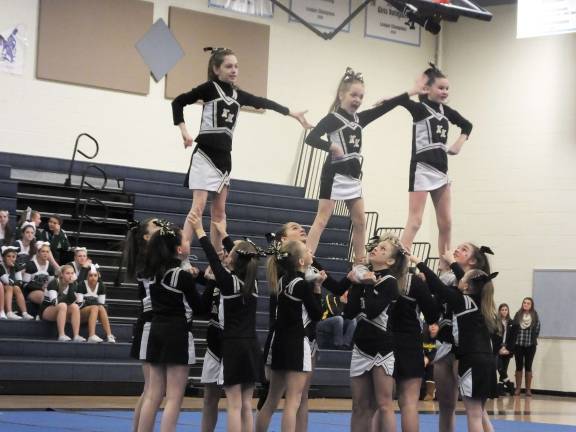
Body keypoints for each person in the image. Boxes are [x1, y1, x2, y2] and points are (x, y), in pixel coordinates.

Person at [172, 47, 311, 251]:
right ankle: (183, 250)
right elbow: (178, 102)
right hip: (205, 153)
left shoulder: (238, 94)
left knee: (219, 213)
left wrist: (291, 113)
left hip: (224, 158)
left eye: (236, 66)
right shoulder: (209, 88)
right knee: (198, 207)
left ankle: (217, 257)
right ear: (216, 69)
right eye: (229, 66)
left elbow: (263, 102)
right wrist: (184, 131)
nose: (234, 70)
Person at [304, 68, 426, 266]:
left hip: (353, 176)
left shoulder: (360, 119)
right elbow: (311, 138)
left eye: (361, 96)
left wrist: (412, 91)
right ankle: (306, 261)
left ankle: (359, 263)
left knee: (360, 221)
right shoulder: (333, 118)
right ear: (341, 94)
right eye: (353, 95)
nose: (357, 100)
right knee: (322, 219)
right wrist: (331, 146)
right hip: (334, 174)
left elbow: (387, 108)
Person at [190, 211, 264, 432]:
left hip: (233, 346)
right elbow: (243, 255)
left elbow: (213, 258)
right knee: (245, 406)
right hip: (251, 346)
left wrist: (200, 231)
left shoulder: (228, 282)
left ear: (234, 258)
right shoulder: (253, 282)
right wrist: (224, 235)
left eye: (230, 251)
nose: (227, 252)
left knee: (233, 406)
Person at [395, 64, 473, 267]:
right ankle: (399, 265)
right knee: (415, 221)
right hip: (421, 168)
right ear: (428, 89)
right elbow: (400, 101)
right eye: (440, 88)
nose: (445, 92)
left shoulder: (446, 111)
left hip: (441, 171)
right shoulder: (419, 109)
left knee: (446, 224)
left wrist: (458, 144)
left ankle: (445, 267)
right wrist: (413, 88)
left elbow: (467, 125)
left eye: (447, 88)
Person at [414, 257, 498, 432]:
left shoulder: (461, 301)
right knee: (480, 412)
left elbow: (437, 286)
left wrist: (418, 262)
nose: (459, 279)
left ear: (465, 286)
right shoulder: (478, 301)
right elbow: (467, 280)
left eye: (463, 279)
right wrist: (454, 264)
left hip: (471, 361)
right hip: (487, 360)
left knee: (474, 415)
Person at [137, 221, 203, 432]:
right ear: (178, 249)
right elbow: (199, 308)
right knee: (174, 397)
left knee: (154, 393)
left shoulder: (154, 274)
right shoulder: (180, 276)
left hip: (156, 331)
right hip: (177, 334)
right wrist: (210, 285)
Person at [256, 239, 324, 432]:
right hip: (295, 343)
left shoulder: (281, 280)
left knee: (272, 399)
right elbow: (316, 314)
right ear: (301, 261)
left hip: (279, 342)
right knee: (293, 401)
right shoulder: (301, 284)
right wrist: (318, 288)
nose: (310, 252)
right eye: (306, 251)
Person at [343, 236, 408, 432]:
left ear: (390, 261)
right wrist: (356, 283)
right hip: (361, 346)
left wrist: (368, 285)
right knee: (359, 406)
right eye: (377, 247)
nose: (376, 249)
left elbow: (372, 311)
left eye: (383, 249)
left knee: (384, 404)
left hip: (382, 349)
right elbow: (349, 312)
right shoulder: (366, 277)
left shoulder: (389, 282)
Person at [387, 235, 439, 432]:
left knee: (383, 404)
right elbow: (433, 314)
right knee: (409, 404)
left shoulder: (378, 279)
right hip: (409, 343)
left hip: (386, 341)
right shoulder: (413, 282)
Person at [124, 218, 161, 432]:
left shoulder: (151, 257)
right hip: (149, 323)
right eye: (157, 225)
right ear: (147, 237)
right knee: (152, 390)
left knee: (151, 389)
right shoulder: (149, 259)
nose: (162, 226)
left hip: (151, 322)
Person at [40, 264, 85, 342]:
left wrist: (71, 285)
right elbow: (55, 302)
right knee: (63, 305)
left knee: (75, 307)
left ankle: (76, 335)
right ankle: (61, 335)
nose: (70, 275)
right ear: (61, 274)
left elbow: (74, 301)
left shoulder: (74, 284)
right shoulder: (54, 282)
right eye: (67, 273)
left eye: (72, 273)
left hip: (62, 309)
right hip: (46, 310)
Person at [77, 265, 115, 343]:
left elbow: (101, 304)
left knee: (100, 307)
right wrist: (93, 304)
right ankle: (91, 336)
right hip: (79, 315)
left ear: (98, 276)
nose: (93, 278)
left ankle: (109, 335)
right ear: (86, 276)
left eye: (95, 275)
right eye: (90, 275)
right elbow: (79, 304)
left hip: (93, 313)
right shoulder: (82, 285)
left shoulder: (101, 286)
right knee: (95, 307)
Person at [513, 297, 540, 397]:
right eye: (524, 303)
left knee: (528, 366)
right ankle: (518, 389)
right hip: (518, 345)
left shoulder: (535, 315)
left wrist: (532, 340)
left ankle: (528, 390)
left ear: (531, 305)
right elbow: (514, 328)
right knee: (518, 366)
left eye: (528, 303)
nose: (526, 304)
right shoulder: (518, 314)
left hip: (530, 345)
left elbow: (537, 329)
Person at [23, 241, 59, 314]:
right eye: (43, 251)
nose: (45, 253)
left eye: (47, 252)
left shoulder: (50, 267)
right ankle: (41, 314)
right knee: (44, 296)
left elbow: (51, 284)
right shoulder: (31, 265)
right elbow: (25, 284)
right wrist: (41, 287)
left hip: (45, 291)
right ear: (38, 253)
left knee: (53, 297)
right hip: (31, 291)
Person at [0, 246, 34, 320]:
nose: (11, 259)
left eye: (13, 257)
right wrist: (13, 270)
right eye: (8, 256)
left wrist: (14, 268)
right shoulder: (1, 266)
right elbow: (7, 281)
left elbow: (19, 282)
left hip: (8, 287)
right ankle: (9, 312)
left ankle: (24, 313)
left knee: (17, 288)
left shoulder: (16, 266)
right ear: (3, 258)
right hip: (2, 288)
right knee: (10, 287)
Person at [493, 303, 517, 395]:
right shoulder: (496, 322)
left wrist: (509, 350)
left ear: (508, 311)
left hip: (507, 350)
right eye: (502, 310)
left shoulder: (512, 323)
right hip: (498, 350)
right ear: (499, 311)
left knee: (504, 370)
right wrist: (498, 349)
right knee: (500, 369)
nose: (504, 311)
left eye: (506, 310)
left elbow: (513, 339)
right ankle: (510, 386)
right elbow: (494, 337)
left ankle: (500, 390)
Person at [422, 323, 439, 401]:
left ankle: (430, 392)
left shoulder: (441, 338)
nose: (433, 326)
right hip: (424, 361)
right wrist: (423, 357)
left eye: (435, 325)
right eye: (431, 324)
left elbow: (439, 353)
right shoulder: (423, 337)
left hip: (436, 362)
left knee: (432, 366)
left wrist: (428, 358)